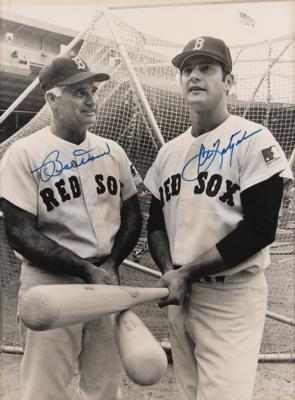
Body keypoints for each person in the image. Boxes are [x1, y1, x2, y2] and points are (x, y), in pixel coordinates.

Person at [144, 36, 294, 400]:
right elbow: (156, 223)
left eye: (207, 68)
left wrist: (185, 272)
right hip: (181, 292)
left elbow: (260, 229)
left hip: (232, 297)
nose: (194, 76)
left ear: (229, 81)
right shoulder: (169, 152)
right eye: (187, 69)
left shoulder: (254, 139)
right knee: (189, 393)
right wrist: (171, 271)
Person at [0, 55, 142, 400]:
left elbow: (134, 214)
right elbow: (20, 232)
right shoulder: (23, 153)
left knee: (105, 388)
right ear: (52, 98)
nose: (92, 99)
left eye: (93, 90)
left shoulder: (113, 151)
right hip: (51, 284)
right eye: (79, 92)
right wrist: (83, 269)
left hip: (105, 281)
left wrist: (110, 265)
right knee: (44, 390)